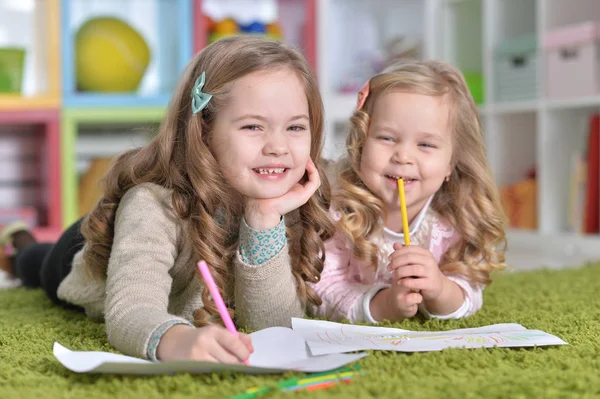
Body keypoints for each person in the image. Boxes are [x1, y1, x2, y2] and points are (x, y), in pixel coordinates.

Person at [0, 35, 334, 363]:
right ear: (203, 130)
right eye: (252, 127)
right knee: (34, 264)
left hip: (157, 231)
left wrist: (263, 220)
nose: (278, 147)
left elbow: (273, 327)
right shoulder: (151, 206)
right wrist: (179, 339)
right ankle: (20, 241)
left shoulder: (284, 202)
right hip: (93, 250)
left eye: (295, 128)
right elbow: (131, 310)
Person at [311, 60, 507, 324]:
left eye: (425, 144)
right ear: (360, 145)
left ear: (451, 163)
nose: (403, 156)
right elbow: (320, 289)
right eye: (387, 138)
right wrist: (384, 306)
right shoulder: (336, 208)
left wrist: (440, 289)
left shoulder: (455, 217)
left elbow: (469, 289)